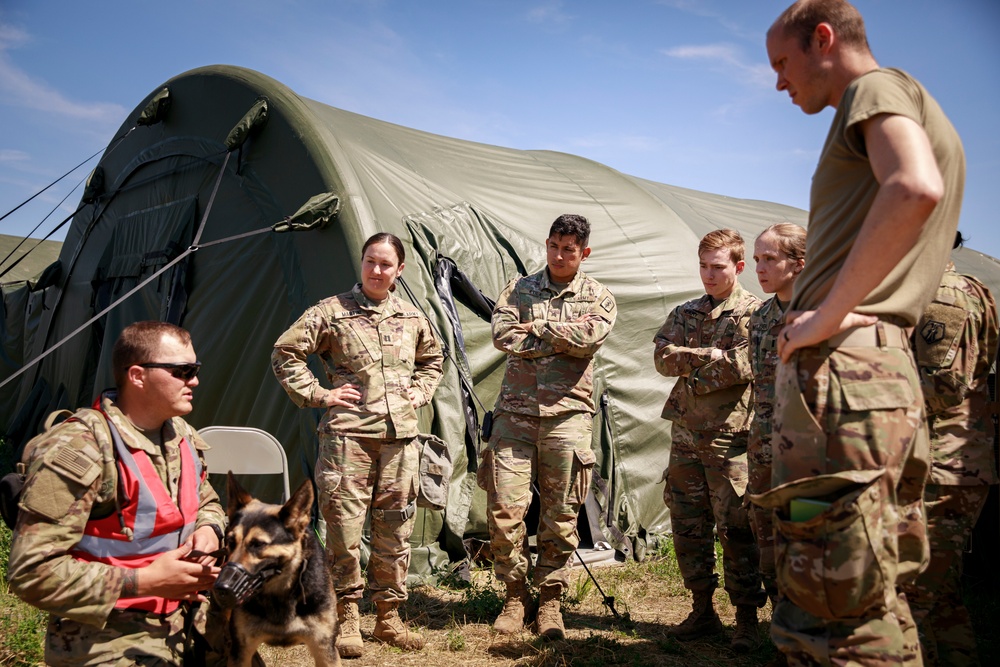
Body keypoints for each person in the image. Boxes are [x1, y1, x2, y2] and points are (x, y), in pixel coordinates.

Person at [762, 0, 966, 663]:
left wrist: (825, 314)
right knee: (867, 590)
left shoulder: (874, 90)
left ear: (825, 38)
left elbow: (913, 186)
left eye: (784, 62)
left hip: (846, 377)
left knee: (829, 607)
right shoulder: (910, 106)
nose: (778, 82)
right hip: (872, 376)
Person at [7, 321, 226, 667]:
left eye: (195, 370)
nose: (194, 381)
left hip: (190, 617)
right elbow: (30, 572)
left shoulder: (179, 433)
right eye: (182, 371)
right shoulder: (80, 449)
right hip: (110, 632)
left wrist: (209, 530)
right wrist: (143, 581)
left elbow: (208, 501)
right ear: (137, 375)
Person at [271, 232, 444, 657]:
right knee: (344, 531)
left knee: (395, 528)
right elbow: (285, 352)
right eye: (370, 261)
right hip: (347, 438)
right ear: (361, 263)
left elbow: (433, 360)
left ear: (399, 270)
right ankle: (347, 616)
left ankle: (388, 616)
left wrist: (418, 393)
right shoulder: (332, 312)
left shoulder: (412, 316)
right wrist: (320, 395)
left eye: (386, 264)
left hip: (400, 438)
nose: (376, 270)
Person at [484, 213, 616, 640]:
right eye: (554, 247)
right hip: (515, 416)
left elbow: (591, 337)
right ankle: (515, 595)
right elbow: (503, 334)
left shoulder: (599, 296)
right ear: (546, 244)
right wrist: (562, 338)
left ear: (584, 253)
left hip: (568, 416)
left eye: (569, 250)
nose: (559, 256)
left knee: (561, 516)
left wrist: (538, 327)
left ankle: (551, 601)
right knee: (505, 510)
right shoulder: (520, 288)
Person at [653, 228, 765, 652]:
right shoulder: (687, 311)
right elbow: (662, 359)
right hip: (685, 434)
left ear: (738, 266)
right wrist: (709, 357)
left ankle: (747, 619)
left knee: (736, 528)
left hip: (730, 438)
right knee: (687, 522)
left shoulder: (757, 313)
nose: (708, 275)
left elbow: (743, 364)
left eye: (717, 267)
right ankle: (702, 609)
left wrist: (692, 362)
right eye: (703, 266)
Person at [899, 232, 998, 666]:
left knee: (910, 595)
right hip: (952, 460)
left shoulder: (943, 295)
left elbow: (943, 386)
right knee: (941, 596)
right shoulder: (969, 289)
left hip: (941, 465)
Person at [747, 223, 806, 613]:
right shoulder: (760, 317)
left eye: (770, 259)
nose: (760, 268)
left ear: (799, 264)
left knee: (805, 537)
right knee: (765, 533)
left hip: (807, 452)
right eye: (756, 259)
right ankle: (782, 628)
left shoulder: (823, 314)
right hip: (764, 444)